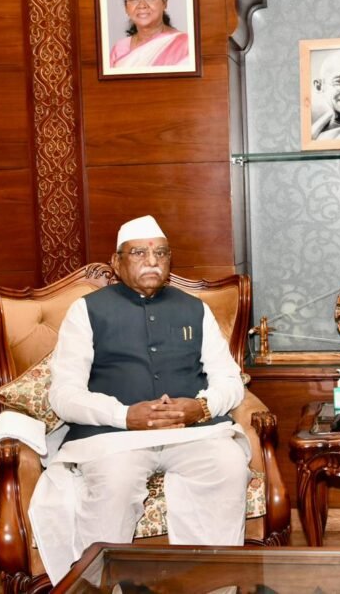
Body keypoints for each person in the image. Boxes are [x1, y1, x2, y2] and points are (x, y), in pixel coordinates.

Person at [29, 215, 250, 582]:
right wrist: (124, 415)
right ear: (116, 263)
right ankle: (102, 587)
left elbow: (229, 380)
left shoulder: (195, 309)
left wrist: (202, 407)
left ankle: (208, 586)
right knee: (114, 484)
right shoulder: (86, 310)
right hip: (114, 438)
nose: (152, 261)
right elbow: (64, 394)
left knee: (228, 465)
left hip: (192, 433)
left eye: (161, 253)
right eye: (139, 253)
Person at [109, 0, 190, 69]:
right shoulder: (118, 49)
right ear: (126, 7)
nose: (142, 5)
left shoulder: (185, 44)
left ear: (164, 2)